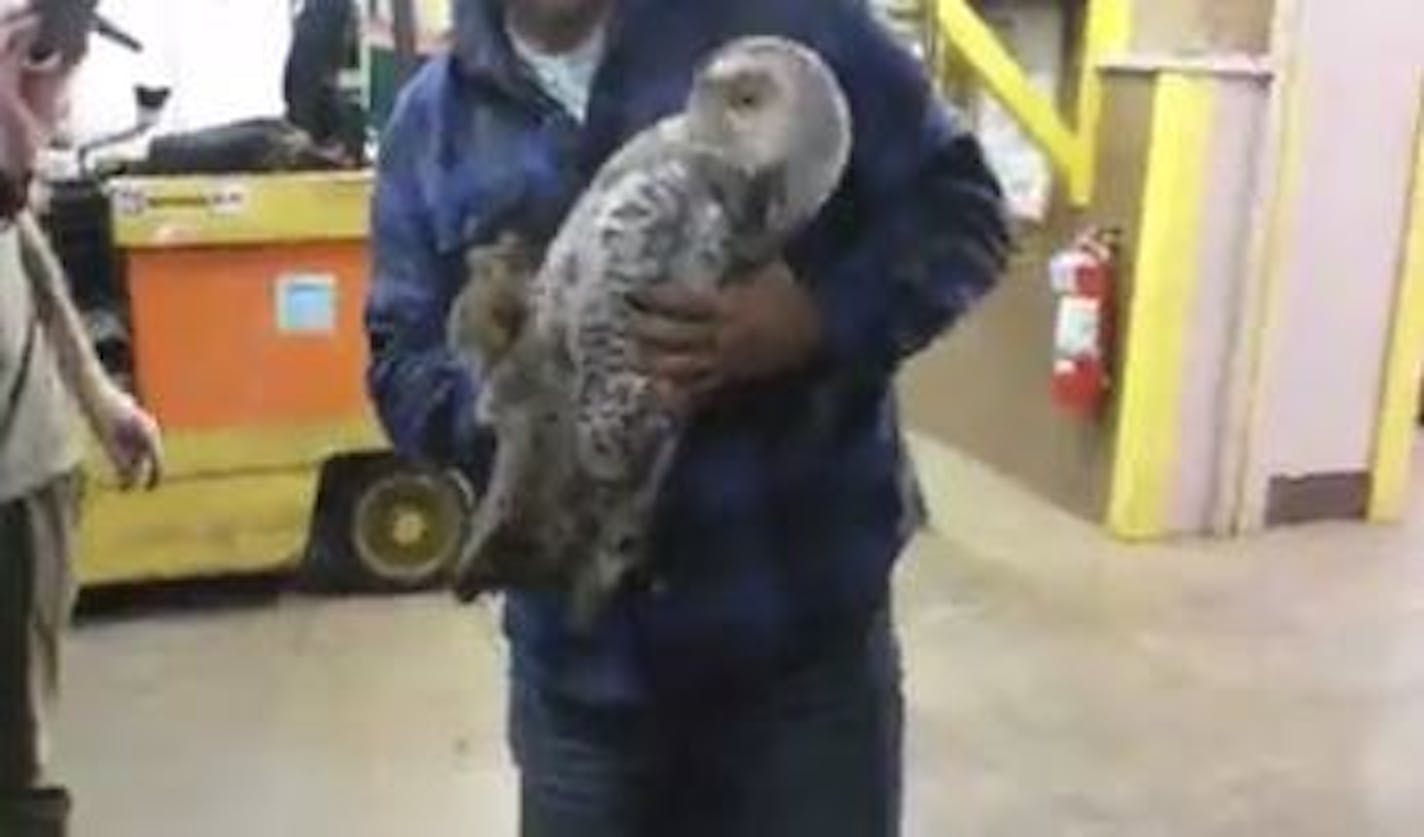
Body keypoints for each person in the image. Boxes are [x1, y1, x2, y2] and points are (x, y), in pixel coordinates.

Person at [365, 0, 1009, 833]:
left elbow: (963, 212)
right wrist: (521, 404)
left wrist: (816, 317)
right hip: (585, 684)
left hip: (799, 655)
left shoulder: (793, 32)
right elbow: (398, 360)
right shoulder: (433, 127)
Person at [1, 4, 163, 834]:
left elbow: (19, 232)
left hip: (23, 478)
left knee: (18, 758)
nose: (56, 98)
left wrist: (96, 397)